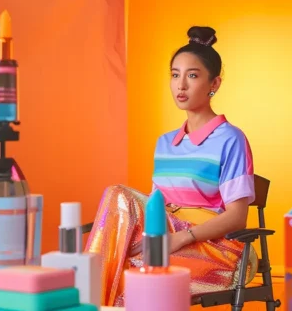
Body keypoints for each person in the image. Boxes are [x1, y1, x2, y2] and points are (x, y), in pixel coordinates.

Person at [85, 26, 258, 307]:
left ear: (214, 84)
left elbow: (237, 218)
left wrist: (180, 238)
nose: (181, 85)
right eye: (175, 75)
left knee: (119, 201)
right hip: (165, 240)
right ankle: (93, 298)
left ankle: (87, 298)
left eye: (192, 75)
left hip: (215, 250)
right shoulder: (165, 143)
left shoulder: (231, 138)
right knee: (125, 264)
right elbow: (156, 208)